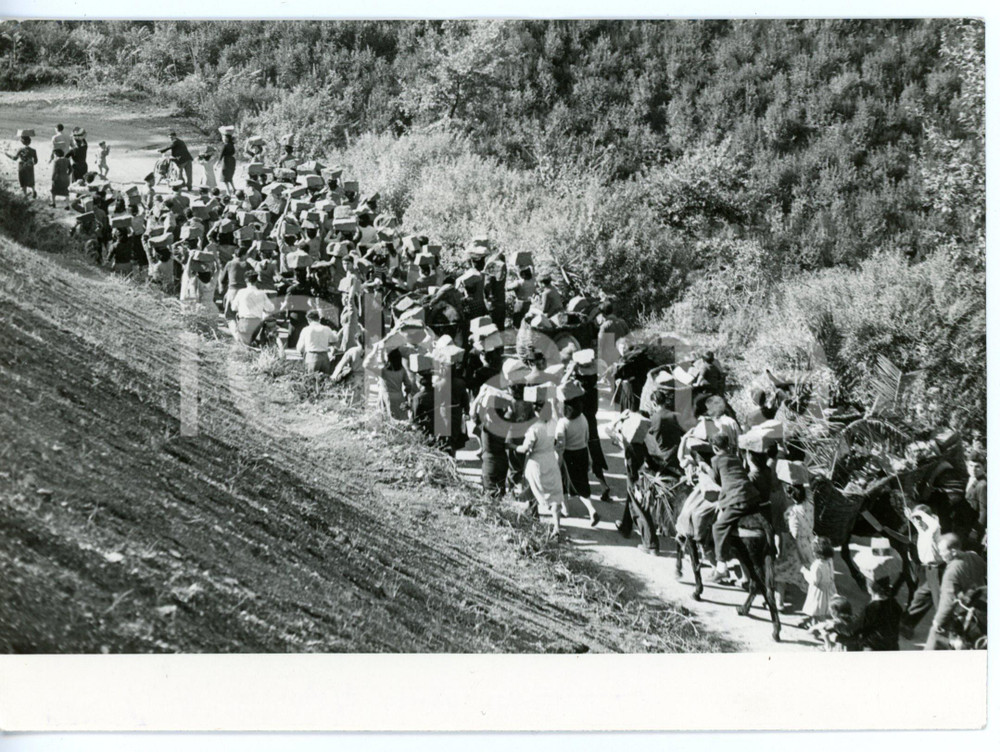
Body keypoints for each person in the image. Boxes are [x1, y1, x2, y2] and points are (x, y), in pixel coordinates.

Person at [708, 431, 762, 580]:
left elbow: (717, 479)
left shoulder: (716, 460)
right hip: (752, 495)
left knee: (718, 527)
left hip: (738, 499)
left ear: (715, 448)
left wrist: (704, 467)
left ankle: (721, 566)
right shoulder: (736, 458)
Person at [925, 533, 987, 650]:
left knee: (935, 639)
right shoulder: (975, 557)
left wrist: (938, 621)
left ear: (953, 551)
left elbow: (948, 601)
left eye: (942, 551)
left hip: (964, 618)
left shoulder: (951, 572)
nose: (940, 554)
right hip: (982, 614)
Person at [517, 399, 565, 539]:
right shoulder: (553, 423)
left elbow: (525, 448)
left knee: (533, 486)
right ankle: (556, 527)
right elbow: (558, 441)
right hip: (551, 460)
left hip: (536, 462)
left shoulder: (534, 428)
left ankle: (532, 513)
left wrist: (513, 447)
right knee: (555, 495)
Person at [899, 504, 944, 638]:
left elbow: (933, 524)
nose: (917, 521)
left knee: (940, 603)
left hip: (938, 571)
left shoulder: (933, 530)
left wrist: (918, 514)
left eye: (920, 518)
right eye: (916, 519)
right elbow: (916, 522)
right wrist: (911, 516)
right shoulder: (923, 529)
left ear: (928, 518)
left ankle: (949, 634)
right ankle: (906, 625)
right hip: (930, 570)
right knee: (921, 596)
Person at [556, 396, 600, 527]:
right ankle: (588, 510)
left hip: (568, 457)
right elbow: (586, 439)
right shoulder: (583, 418)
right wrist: (590, 458)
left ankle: (570, 510)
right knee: (582, 484)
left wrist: (558, 462)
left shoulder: (562, 423)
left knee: (564, 484)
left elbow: (561, 446)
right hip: (582, 453)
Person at [853, 576, 903, 651]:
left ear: (872, 591)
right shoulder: (896, 606)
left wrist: (837, 628)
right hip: (892, 646)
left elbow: (854, 628)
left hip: (874, 646)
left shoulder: (872, 607)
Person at [800, 536, 837, 629]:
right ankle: (813, 622)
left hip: (818, 591)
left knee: (817, 609)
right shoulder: (829, 561)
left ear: (817, 553)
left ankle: (821, 628)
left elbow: (814, 581)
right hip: (828, 588)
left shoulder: (816, 565)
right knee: (822, 609)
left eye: (813, 551)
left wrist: (804, 571)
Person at [229, 271, 275, 345]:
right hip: (257, 324)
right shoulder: (261, 293)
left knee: (242, 344)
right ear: (256, 280)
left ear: (245, 280)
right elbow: (271, 308)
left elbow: (233, 308)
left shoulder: (241, 292)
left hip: (244, 323)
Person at [376, 348, 413, 421]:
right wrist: (406, 396)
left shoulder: (383, 370)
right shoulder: (402, 370)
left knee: (387, 419)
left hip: (386, 396)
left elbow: (367, 365)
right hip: (399, 396)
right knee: (401, 419)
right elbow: (408, 385)